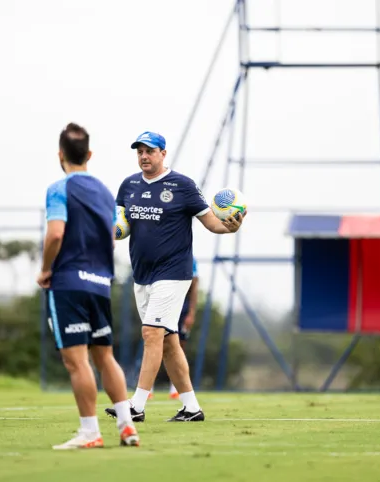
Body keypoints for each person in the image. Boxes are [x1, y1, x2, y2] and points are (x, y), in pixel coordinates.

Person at [105, 131, 245, 423]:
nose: (144, 156)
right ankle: (192, 408)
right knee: (168, 341)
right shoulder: (128, 186)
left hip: (174, 272)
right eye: (140, 151)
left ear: (163, 154)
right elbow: (119, 224)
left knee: (151, 333)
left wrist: (229, 228)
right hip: (142, 275)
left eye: (150, 151)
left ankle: (137, 405)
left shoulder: (182, 186)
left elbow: (212, 224)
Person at [37, 124, 140, 449]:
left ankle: (90, 432)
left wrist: (45, 270)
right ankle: (126, 425)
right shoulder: (105, 192)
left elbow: (55, 234)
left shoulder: (58, 188)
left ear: (60, 154)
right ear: (89, 154)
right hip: (99, 284)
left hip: (68, 282)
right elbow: (110, 238)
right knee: (105, 357)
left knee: (77, 361)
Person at [169, 256, 198, 400]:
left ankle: (176, 387)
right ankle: (147, 388)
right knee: (155, 342)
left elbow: (194, 285)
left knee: (180, 345)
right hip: (166, 303)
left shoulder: (191, 259)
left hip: (183, 307)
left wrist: (191, 312)